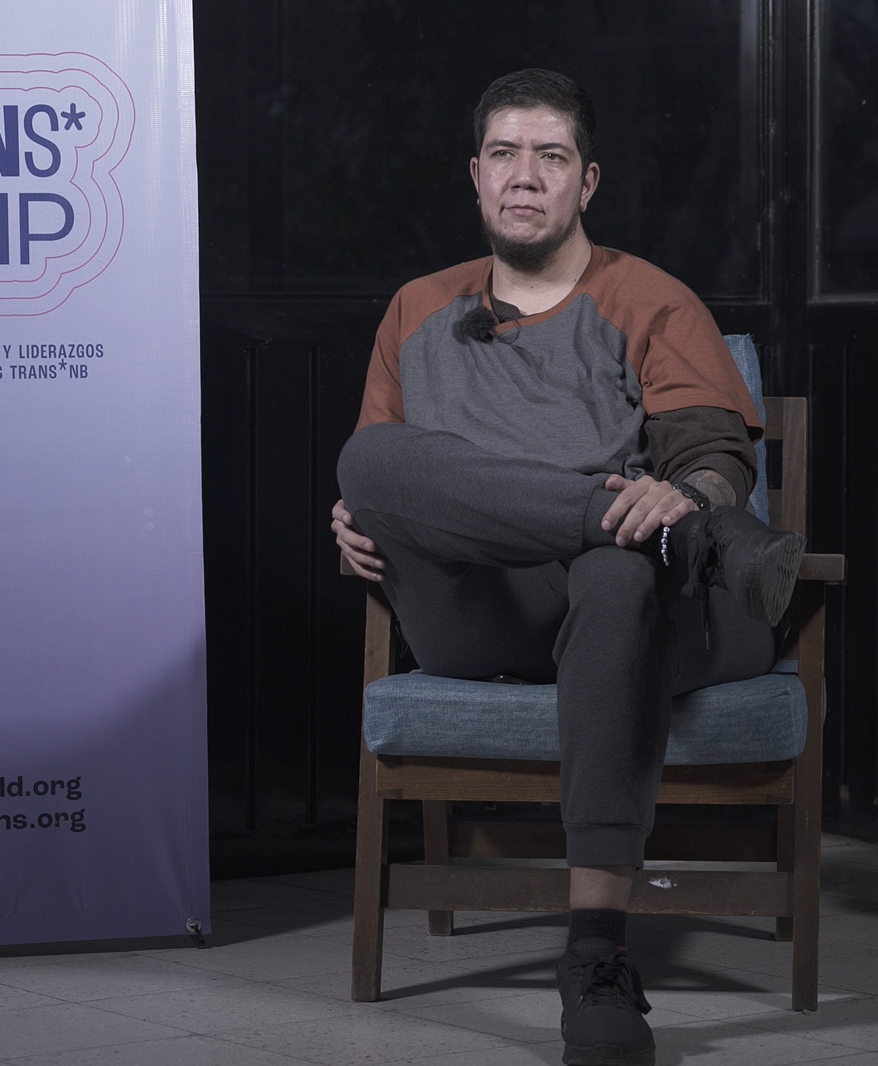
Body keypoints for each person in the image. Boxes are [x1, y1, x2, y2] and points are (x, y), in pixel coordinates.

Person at [331, 68, 803, 1066]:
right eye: (504, 154)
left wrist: (696, 501)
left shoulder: (651, 300)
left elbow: (714, 458)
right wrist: (361, 518)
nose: (524, 175)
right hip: (482, 608)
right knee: (366, 462)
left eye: (551, 156)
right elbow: (385, 474)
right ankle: (650, 532)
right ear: (475, 174)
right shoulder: (417, 308)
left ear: (587, 182)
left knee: (619, 573)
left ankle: (595, 959)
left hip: (636, 613)